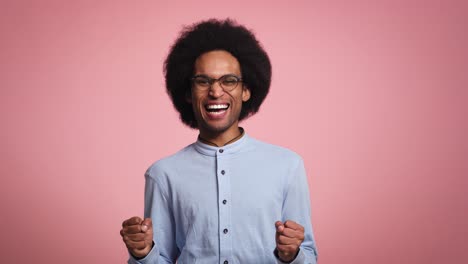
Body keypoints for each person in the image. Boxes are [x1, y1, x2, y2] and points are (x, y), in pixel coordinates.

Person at [120, 18, 318, 264]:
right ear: (188, 92)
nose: (215, 91)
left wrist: (292, 256)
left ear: (246, 90)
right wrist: (142, 254)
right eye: (203, 81)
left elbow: (308, 255)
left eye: (229, 80)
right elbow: (161, 258)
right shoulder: (163, 174)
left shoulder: (287, 166)